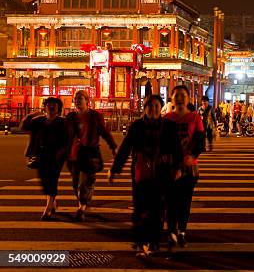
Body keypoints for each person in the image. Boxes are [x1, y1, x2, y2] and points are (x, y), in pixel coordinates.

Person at [109, 95, 182, 257]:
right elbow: (125, 148)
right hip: (141, 173)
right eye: (150, 106)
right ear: (145, 108)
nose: (153, 109)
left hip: (162, 174)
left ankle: (153, 242)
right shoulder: (136, 126)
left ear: (161, 108)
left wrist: (178, 168)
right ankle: (140, 240)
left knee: (157, 210)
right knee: (140, 208)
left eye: (156, 106)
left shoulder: (169, 126)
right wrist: (115, 169)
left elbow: (177, 149)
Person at [65, 90, 117, 221]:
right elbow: (64, 135)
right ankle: (83, 202)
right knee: (75, 182)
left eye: (80, 98)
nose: (77, 100)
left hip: (89, 152)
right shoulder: (71, 117)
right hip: (73, 154)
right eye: (76, 98)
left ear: (87, 101)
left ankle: (81, 208)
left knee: (84, 183)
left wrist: (113, 147)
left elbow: (104, 132)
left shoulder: (94, 116)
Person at [164, 85, 205, 248]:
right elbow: (164, 143)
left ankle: (182, 231)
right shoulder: (167, 119)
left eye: (183, 95)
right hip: (171, 167)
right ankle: (172, 231)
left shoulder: (195, 118)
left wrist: (192, 156)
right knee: (171, 201)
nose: (180, 98)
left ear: (188, 98)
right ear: (171, 98)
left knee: (185, 201)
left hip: (189, 167)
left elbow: (200, 142)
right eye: (176, 95)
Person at [21, 97, 69, 220]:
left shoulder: (62, 122)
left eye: (54, 105)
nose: (51, 107)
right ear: (45, 107)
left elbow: (67, 139)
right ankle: (52, 201)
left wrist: (62, 151)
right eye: (49, 104)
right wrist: (31, 114)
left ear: (58, 108)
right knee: (44, 179)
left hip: (56, 155)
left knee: (52, 178)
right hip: (40, 154)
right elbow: (23, 127)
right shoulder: (38, 120)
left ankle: (48, 208)